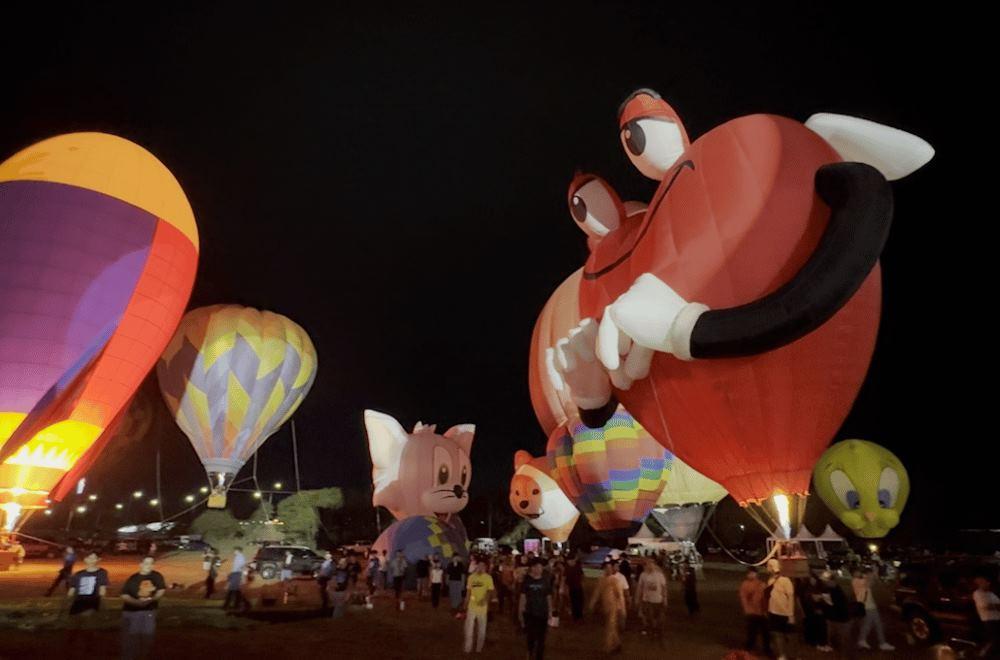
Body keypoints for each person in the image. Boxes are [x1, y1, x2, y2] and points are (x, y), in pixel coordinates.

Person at [120, 556, 166, 660]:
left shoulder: (156, 576)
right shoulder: (133, 578)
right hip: (130, 611)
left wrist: (152, 600)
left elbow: (161, 591)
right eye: (146, 563)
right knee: (130, 638)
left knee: (146, 638)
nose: (149, 566)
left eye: (151, 563)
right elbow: (124, 594)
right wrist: (136, 602)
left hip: (148, 611)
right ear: (140, 565)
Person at [65, 551, 109, 657]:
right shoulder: (79, 574)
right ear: (85, 560)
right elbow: (72, 589)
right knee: (72, 626)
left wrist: (101, 598)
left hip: (92, 601)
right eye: (90, 558)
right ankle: (69, 649)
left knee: (88, 625)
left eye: (95, 558)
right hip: (78, 602)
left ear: (98, 560)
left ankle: (89, 649)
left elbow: (102, 588)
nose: (92, 561)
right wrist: (68, 599)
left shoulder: (101, 572)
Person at [589, 560, 628, 654]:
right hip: (606, 607)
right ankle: (617, 643)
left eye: (610, 568)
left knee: (610, 627)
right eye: (607, 568)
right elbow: (597, 593)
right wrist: (592, 603)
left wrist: (623, 609)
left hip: (613, 607)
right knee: (611, 627)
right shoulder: (601, 580)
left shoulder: (615, 581)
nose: (608, 570)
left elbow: (620, 595)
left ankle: (608, 647)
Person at [818, 570, 857, 659]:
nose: (824, 583)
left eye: (826, 581)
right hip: (835, 619)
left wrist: (825, 600)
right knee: (839, 643)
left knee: (845, 643)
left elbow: (840, 605)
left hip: (842, 620)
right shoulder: (830, 589)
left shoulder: (838, 591)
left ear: (832, 581)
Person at [852, 568, 894, 651]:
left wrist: (874, 575)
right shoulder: (856, 581)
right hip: (868, 607)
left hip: (871, 606)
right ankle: (881, 643)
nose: (858, 573)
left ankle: (865, 641)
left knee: (873, 625)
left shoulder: (863, 580)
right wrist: (874, 575)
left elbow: (875, 585)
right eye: (856, 572)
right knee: (874, 625)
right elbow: (869, 584)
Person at [519, 557, 552, 660]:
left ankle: (539, 656)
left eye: (540, 567)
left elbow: (548, 596)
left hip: (543, 612)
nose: (538, 569)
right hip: (530, 613)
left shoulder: (545, 580)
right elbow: (523, 597)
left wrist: (550, 611)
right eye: (536, 567)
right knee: (531, 636)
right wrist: (520, 611)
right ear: (532, 568)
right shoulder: (527, 581)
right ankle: (529, 653)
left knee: (541, 638)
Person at [767, 558, 797, 660]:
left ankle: (792, 655)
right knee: (777, 634)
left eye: (769, 566)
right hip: (773, 612)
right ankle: (782, 655)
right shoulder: (771, 580)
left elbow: (791, 597)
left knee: (789, 636)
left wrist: (790, 614)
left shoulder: (785, 580)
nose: (767, 568)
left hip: (784, 613)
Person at [463, 557, 494, 653]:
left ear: (485, 567)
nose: (480, 567)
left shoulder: (488, 578)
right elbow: (468, 591)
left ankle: (479, 648)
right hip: (472, 606)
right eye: (479, 565)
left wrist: (485, 600)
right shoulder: (471, 577)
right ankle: (468, 648)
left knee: (482, 629)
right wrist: (466, 602)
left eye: (482, 566)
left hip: (482, 607)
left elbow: (490, 591)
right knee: (469, 628)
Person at [739, 567, 771, 655]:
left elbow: (765, 597)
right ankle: (749, 646)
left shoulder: (761, 584)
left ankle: (767, 648)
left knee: (765, 632)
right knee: (752, 631)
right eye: (750, 573)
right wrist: (747, 610)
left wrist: (766, 609)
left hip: (761, 611)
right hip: (752, 612)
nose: (751, 575)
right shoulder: (745, 584)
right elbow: (743, 598)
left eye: (753, 573)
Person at [636, 558, 667, 640]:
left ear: (654, 565)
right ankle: (652, 630)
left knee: (658, 617)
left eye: (651, 564)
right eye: (647, 564)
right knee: (649, 616)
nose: (649, 566)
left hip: (658, 599)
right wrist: (638, 598)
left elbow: (664, 588)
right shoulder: (643, 575)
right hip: (647, 599)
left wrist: (665, 598)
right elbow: (640, 587)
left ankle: (657, 631)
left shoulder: (659, 575)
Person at [802, 574, 832, 651]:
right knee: (814, 626)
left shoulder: (821, 588)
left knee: (822, 625)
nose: (813, 581)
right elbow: (807, 599)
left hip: (820, 610)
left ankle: (823, 643)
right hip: (810, 611)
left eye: (814, 579)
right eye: (811, 579)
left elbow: (827, 599)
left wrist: (822, 598)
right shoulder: (807, 588)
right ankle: (816, 642)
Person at [973, 574, 1000, 657]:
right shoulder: (978, 593)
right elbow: (986, 606)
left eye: (987, 582)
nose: (987, 584)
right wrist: (996, 606)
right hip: (989, 620)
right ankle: (983, 654)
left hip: (997, 619)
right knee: (993, 639)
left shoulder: (991, 594)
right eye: (983, 582)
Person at [223, 546, 249, 611]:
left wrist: (243, 576)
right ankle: (239, 604)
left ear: (238, 550)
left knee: (232, 590)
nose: (234, 551)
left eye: (235, 550)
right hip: (235, 574)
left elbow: (243, 567)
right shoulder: (238, 557)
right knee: (235, 590)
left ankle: (227, 605)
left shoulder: (240, 557)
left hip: (237, 574)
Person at [564, 554, 584, 622]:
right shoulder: (567, 568)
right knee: (573, 602)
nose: (569, 562)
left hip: (578, 587)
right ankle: (575, 616)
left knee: (579, 602)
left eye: (569, 561)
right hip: (571, 587)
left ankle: (579, 616)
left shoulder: (577, 567)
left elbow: (582, 575)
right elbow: (565, 578)